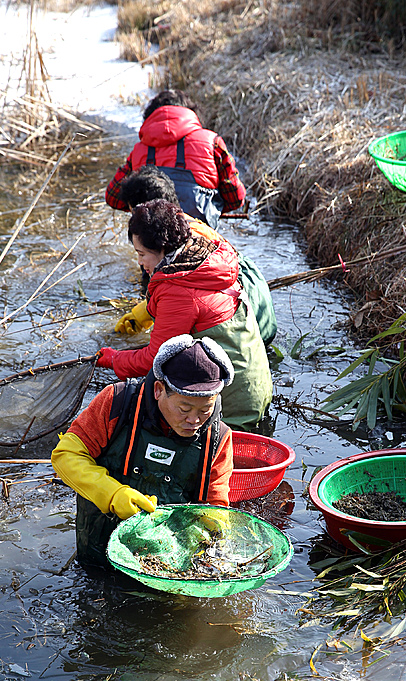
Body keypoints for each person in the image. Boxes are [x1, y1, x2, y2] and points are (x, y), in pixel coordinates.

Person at [51, 335, 235, 569]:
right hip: (99, 548)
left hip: (168, 563)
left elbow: (216, 505)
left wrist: (211, 536)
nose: (194, 420)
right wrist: (112, 494)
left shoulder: (218, 437)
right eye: (184, 408)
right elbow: (65, 456)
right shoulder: (116, 402)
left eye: (205, 409)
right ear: (159, 390)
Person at [97, 199, 273, 431]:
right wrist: (144, 312)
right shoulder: (206, 255)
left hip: (232, 410)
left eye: (141, 254)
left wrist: (113, 359)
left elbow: (152, 359)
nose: (139, 262)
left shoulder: (178, 290)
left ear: (162, 248)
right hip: (256, 388)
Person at [117, 165, 277, 345]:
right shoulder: (182, 226)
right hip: (257, 318)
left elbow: (182, 295)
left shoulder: (179, 242)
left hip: (247, 320)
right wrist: (144, 312)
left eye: (134, 213)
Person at [105, 89, 246, 229]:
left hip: (150, 241)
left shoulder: (139, 149)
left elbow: (113, 198)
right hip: (198, 234)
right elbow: (236, 198)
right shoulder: (212, 142)